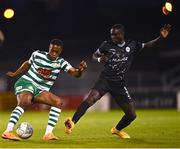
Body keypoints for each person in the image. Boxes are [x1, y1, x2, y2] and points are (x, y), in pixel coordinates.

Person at [64, 24, 171, 139]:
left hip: (119, 84)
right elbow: (94, 55)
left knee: (131, 115)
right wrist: (100, 59)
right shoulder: (106, 45)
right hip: (105, 80)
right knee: (90, 100)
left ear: (122, 34)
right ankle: (72, 122)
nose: (113, 36)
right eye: (111, 34)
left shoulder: (132, 44)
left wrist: (160, 37)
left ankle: (116, 130)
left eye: (115, 34)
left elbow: (148, 45)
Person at [1, 39, 87, 141]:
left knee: (58, 102)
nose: (54, 53)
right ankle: (8, 131)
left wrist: (80, 71)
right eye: (52, 50)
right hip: (26, 82)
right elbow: (27, 63)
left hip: (40, 90)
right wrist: (15, 73)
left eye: (57, 51)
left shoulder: (61, 62)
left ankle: (48, 134)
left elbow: (75, 73)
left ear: (61, 50)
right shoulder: (37, 54)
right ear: (49, 48)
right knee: (25, 101)